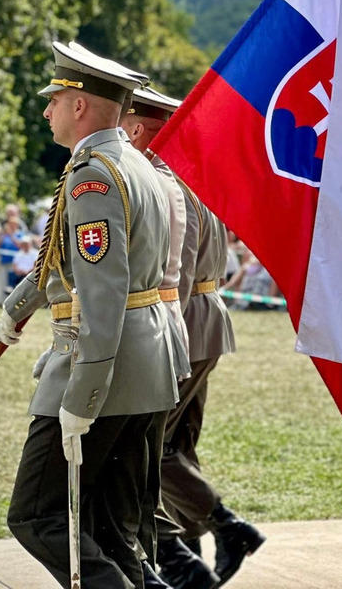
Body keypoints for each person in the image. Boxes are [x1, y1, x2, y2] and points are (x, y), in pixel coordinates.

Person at [0, 42, 181, 589]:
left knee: (36, 514)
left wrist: (81, 395)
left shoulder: (92, 176)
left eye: (55, 98)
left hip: (107, 366)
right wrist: (16, 308)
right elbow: (67, 262)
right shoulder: (134, 165)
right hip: (149, 360)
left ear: (80, 104)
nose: (46, 110)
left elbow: (103, 290)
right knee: (111, 528)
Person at [124, 87, 261, 588]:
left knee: (155, 449)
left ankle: (225, 528)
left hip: (184, 321)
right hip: (208, 318)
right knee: (180, 445)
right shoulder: (195, 180)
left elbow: (174, 272)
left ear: (141, 129)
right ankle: (190, 549)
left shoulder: (164, 185)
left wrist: (165, 340)